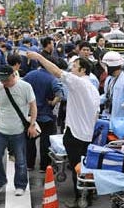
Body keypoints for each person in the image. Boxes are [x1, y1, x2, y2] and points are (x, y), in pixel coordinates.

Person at [27, 52, 100, 207]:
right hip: (86, 134)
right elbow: (96, 114)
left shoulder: (78, 82)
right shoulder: (93, 88)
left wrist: (39, 57)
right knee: (83, 166)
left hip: (74, 134)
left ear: (83, 70)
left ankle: (80, 199)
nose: (71, 69)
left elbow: (56, 72)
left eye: (74, 66)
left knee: (76, 168)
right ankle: (89, 194)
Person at [0, 64, 38, 196]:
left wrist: (32, 124)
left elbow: (33, 106)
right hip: (0, 130)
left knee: (20, 161)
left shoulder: (25, 87)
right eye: (1, 80)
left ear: (14, 75)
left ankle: (20, 185)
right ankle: (0, 182)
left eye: (6, 80)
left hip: (18, 131)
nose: (4, 83)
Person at [23, 62, 64, 172]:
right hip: (47, 115)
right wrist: (52, 103)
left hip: (31, 115)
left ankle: (29, 164)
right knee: (46, 142)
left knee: (30, 141)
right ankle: (44, 166)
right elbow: (60, 94)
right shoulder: (52, 78)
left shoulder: (29, 75)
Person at [101, 51, 124, 120]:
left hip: (120, 118)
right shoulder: (109, 79)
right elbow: (106, 95)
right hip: (106, 115)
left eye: (106, 66)